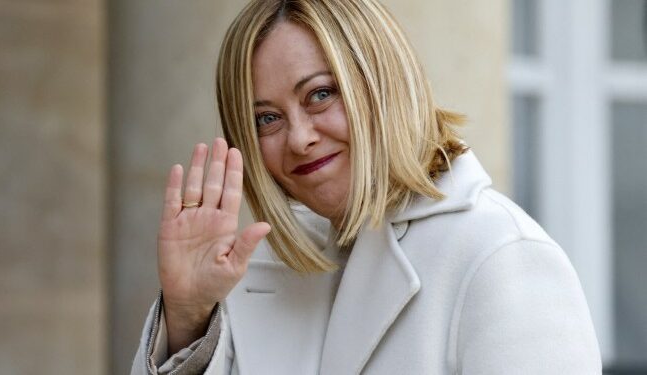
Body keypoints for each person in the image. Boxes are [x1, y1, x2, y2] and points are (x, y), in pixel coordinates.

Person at [132, 0, 602, 373]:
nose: (299, 138)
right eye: (267, 119)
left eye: (320, 94)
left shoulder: (500, 257)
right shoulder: (253, 271)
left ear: (381, 82)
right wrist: (189, 315)